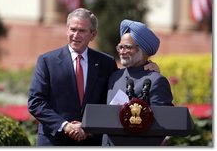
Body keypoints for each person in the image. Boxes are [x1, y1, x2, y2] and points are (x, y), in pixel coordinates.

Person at [28, 8, 159, 146]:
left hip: (91, 142)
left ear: (93, 34)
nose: (76, 35)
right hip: (53, 141)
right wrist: (65, 126)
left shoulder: (106, 63)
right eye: (72, 29)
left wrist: (148, 69)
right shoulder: (47, 61)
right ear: (67, 30)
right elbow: (35, 102)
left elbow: (122, 87)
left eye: (82, 31)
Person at [103, 19, 173, 146]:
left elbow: (162, 125)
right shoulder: (114, 76)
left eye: (128, 47)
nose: (122, 51)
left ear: (143, 50)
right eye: (120, 47)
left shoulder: (156, 80)